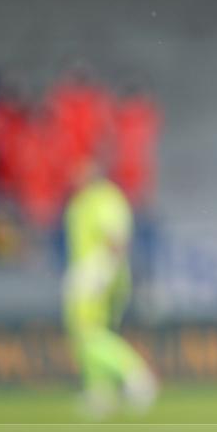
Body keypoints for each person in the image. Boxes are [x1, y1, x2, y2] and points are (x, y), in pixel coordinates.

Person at [63, 158, 157, 418]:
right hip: (87, 271)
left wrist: (103, 272)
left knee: (88, 334)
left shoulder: (104, 198)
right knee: (89, 336)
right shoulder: (82, 201)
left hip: (97, 273)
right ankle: (100, 393)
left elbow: (115, 238)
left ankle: (136, 375)